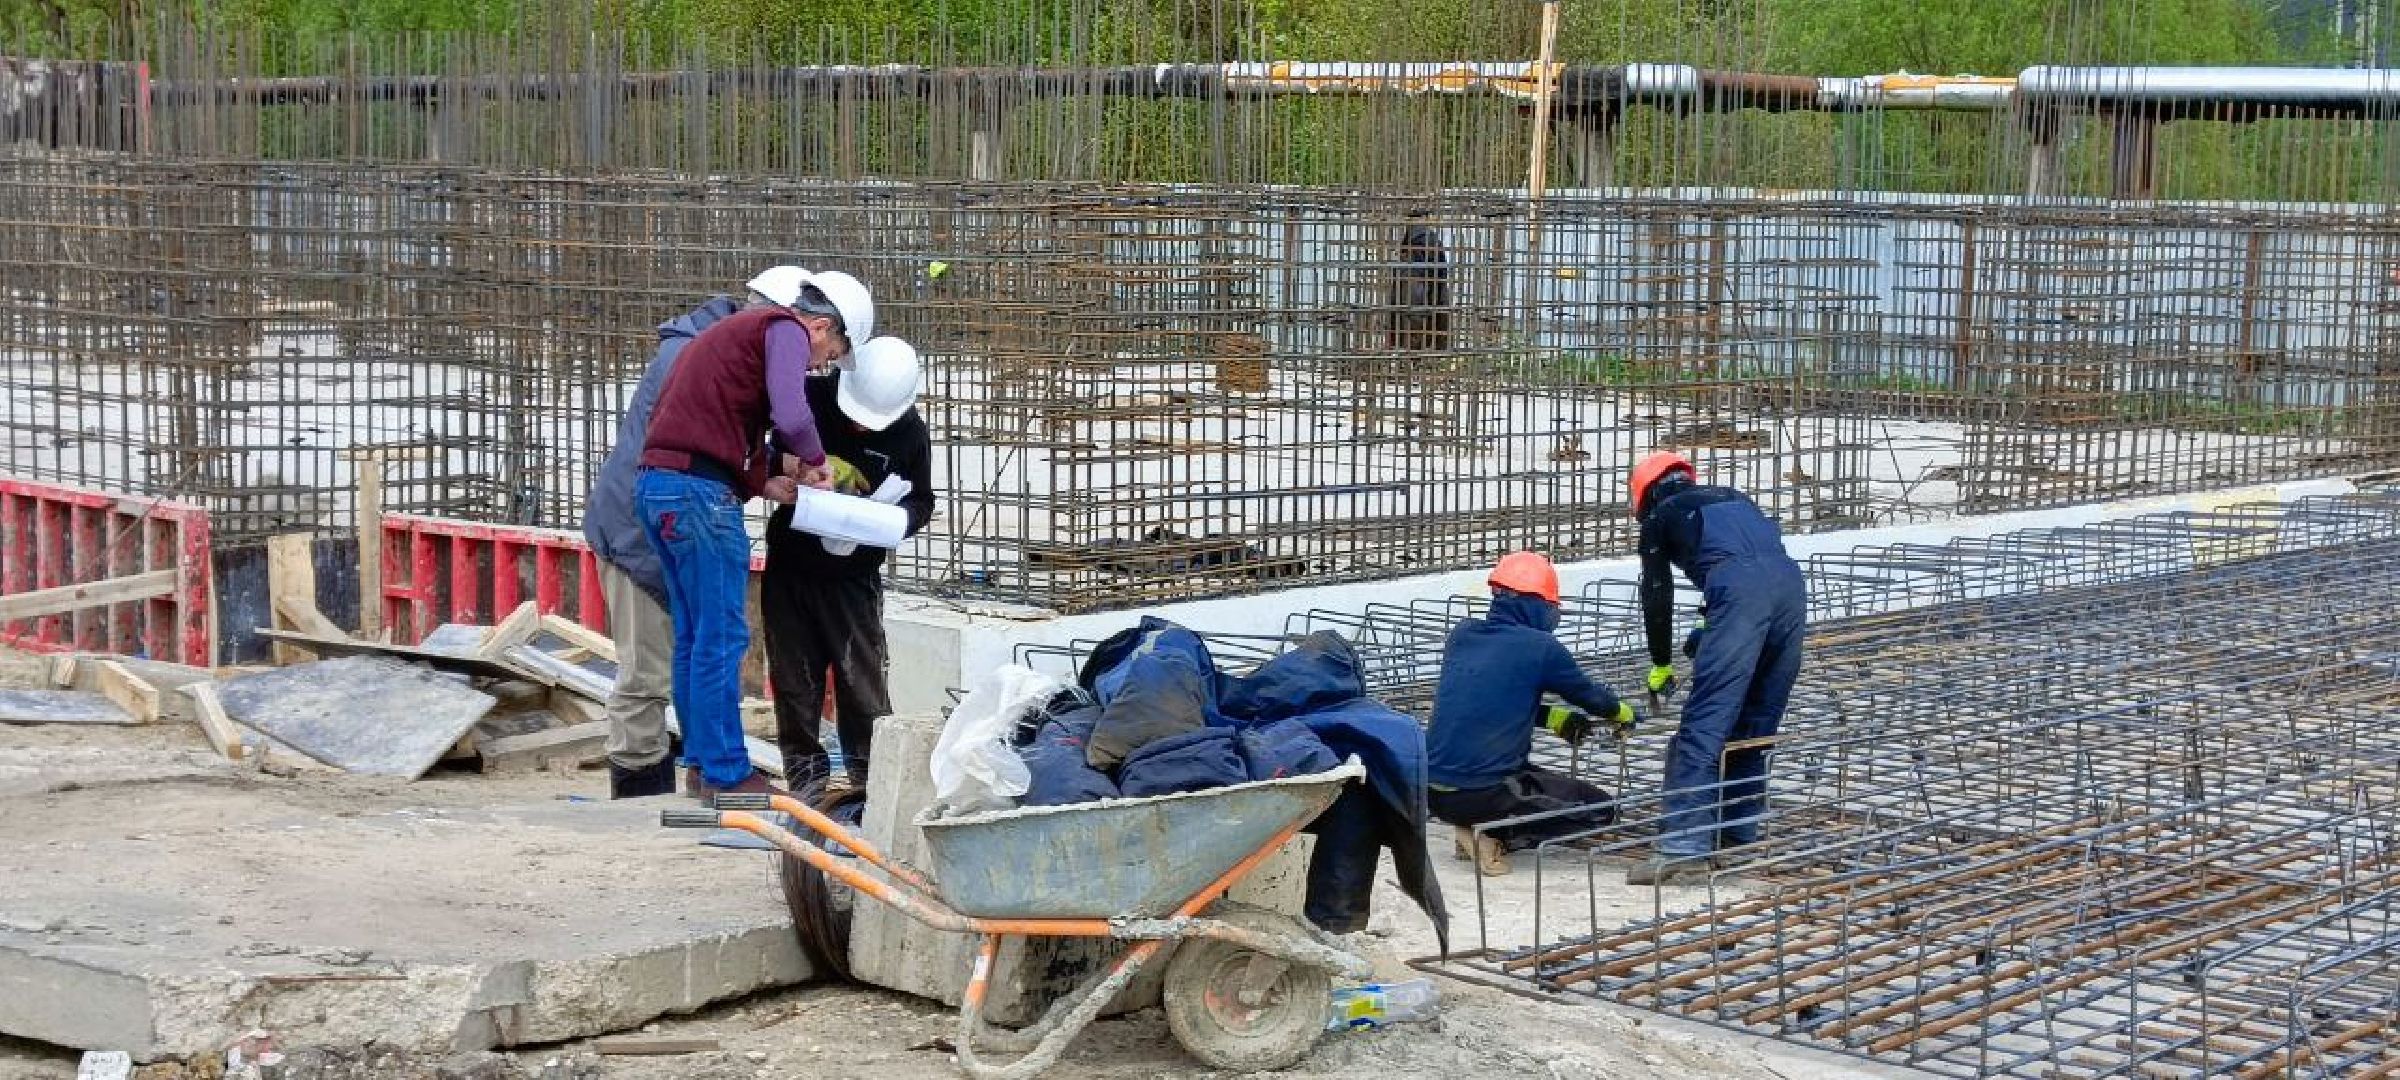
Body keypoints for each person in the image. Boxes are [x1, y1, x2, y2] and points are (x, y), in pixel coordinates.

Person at [635, 268, 876, 799]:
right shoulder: (785, 330)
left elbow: (717, 432)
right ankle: (725, 773)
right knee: (721, 637)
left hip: (662, 490)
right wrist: (817, 464)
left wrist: (772, 481)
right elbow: (791, 412)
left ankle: (701, 764)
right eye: (831, 354)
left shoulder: (736, 340)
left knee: (696, 637)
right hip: (700, 499)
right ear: (820, 326)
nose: (823, 366)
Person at [760, 336, 933, 797]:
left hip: (854, 575)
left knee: (862, 685)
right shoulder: (812, 401)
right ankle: (807, 783)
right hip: (793, 563)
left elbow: (922, 498)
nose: (859, 427)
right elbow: (765, 453)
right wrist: (798, 465)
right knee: (795, 681)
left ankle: (870, 784)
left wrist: (897, 521)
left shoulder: (909, 432)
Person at [1626, 451, 1807, 886]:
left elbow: (1657, 593)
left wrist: (1661, 663)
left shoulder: (1661, 515)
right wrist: (1708, 625)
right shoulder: (1733, 497)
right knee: (1756, 722)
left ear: (1645, 496)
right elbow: (1748, 561)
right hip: (1790, 589)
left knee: (1705, 722)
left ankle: (1684, 846)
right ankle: (1739, 838)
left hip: (1740, 595)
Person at [1425, 552, 1637, 877]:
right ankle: (1490, 834)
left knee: (1529, 779)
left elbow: (1492, 698)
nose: (1555, 614)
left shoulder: (1463, 635)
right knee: (1598, 809)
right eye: (1552, 606)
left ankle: (1468, 825)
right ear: (1536, 604)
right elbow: (1590, 696)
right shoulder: (1540, 647)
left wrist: (1554, 719)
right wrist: (1622, 713)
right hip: (1482, 792)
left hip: (1433, 791)